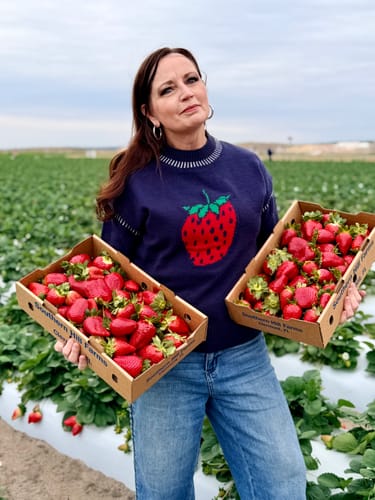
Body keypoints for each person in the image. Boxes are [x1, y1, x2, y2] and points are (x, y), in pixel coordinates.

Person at [55, 47, 365, 500]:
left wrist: (332, 296)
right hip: (166, 365)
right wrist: (80, 332)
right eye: (168, 89)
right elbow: (105, 278)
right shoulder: (136, 179)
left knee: (283, 484)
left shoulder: (248, 167)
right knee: (164, 493)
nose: (185, 93)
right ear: (150, 111)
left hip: (244, 357)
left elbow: (275, 262)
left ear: (205, 87)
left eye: (192, 79)